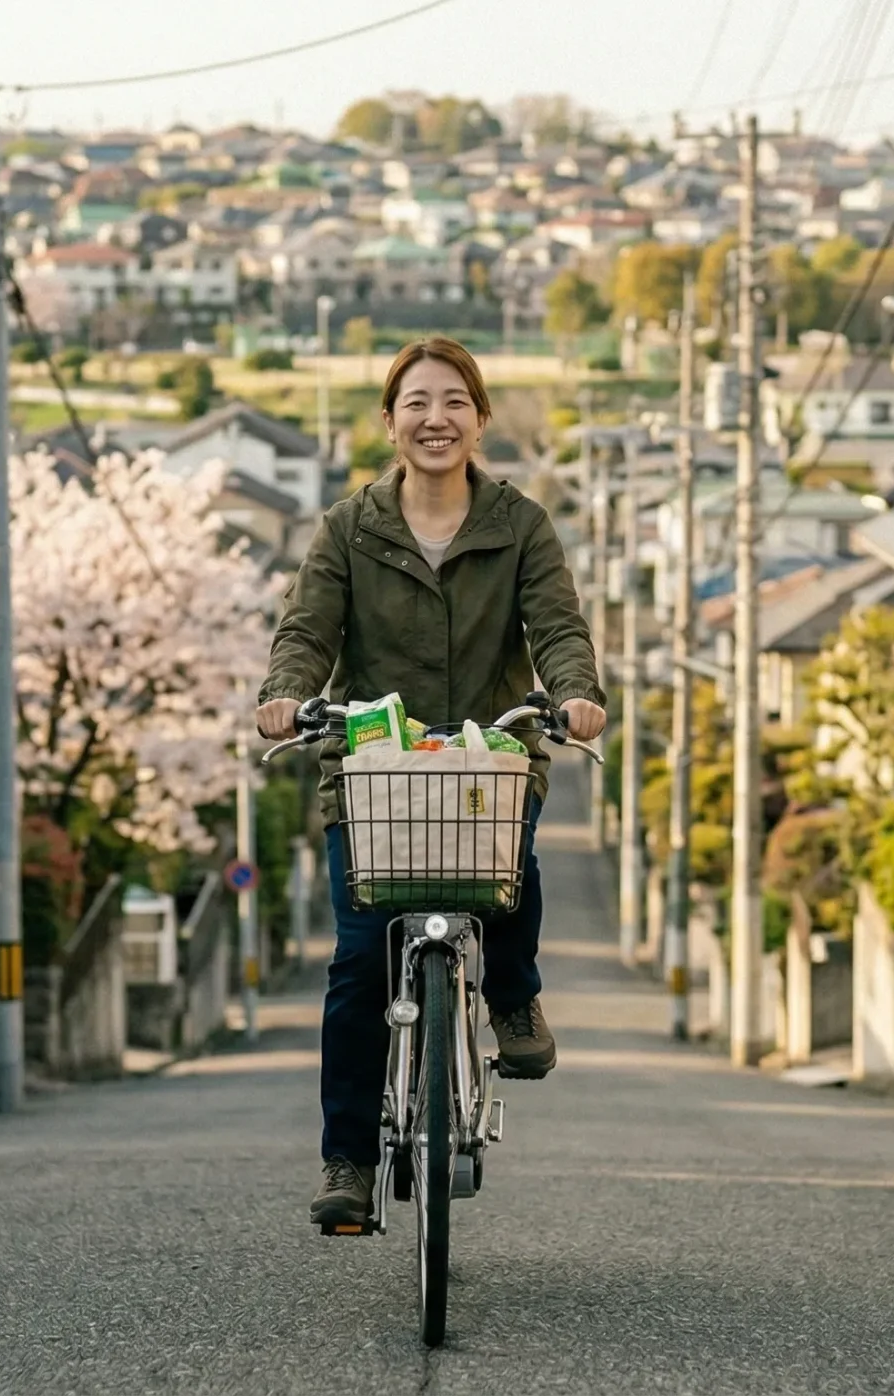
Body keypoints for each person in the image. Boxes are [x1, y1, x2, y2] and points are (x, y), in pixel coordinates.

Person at [256, 336, 606, 1231]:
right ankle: (347, 1160)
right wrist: (286, 694)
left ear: (480, 419)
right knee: (357, 963)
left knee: (508, 881)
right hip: (375, 773)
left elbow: (558, 626)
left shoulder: (521, 524)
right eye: (416, 402)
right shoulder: (348, 527)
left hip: (489, 759)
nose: (435, 418)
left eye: (454, 401)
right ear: (390, 421)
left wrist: (575, 695)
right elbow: (308, 629)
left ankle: (513, 991)